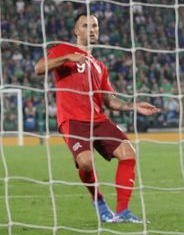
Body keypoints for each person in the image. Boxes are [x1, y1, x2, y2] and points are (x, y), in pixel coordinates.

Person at [34, 12, 160, 223]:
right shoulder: (62, 50)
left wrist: (133, 106)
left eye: (94, 26)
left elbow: (110, 101)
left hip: (98, 120)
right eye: (85, 25)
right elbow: (38, 68)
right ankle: (99, 202)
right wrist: (67, 58)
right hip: (73, 120)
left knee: (128, 153)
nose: (91, 30)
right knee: (85, 163)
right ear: (76, 31)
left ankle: (123, 212)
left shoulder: (100, 66)